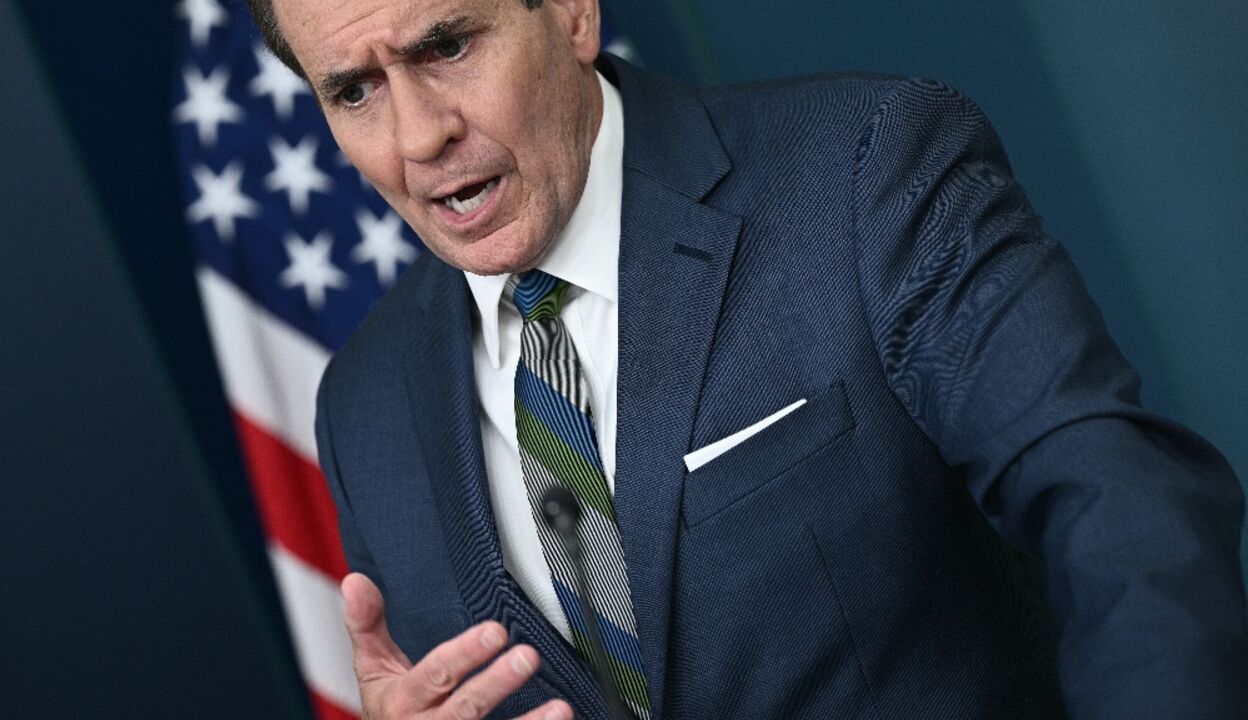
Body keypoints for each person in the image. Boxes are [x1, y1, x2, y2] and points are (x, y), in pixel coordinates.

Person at [247, 0, 1248, 717]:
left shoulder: (862, 168)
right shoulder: (363, 404)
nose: (419, 136)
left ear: (570, 14)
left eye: (448, 46)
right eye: (353, 91)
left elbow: (1120, 510)